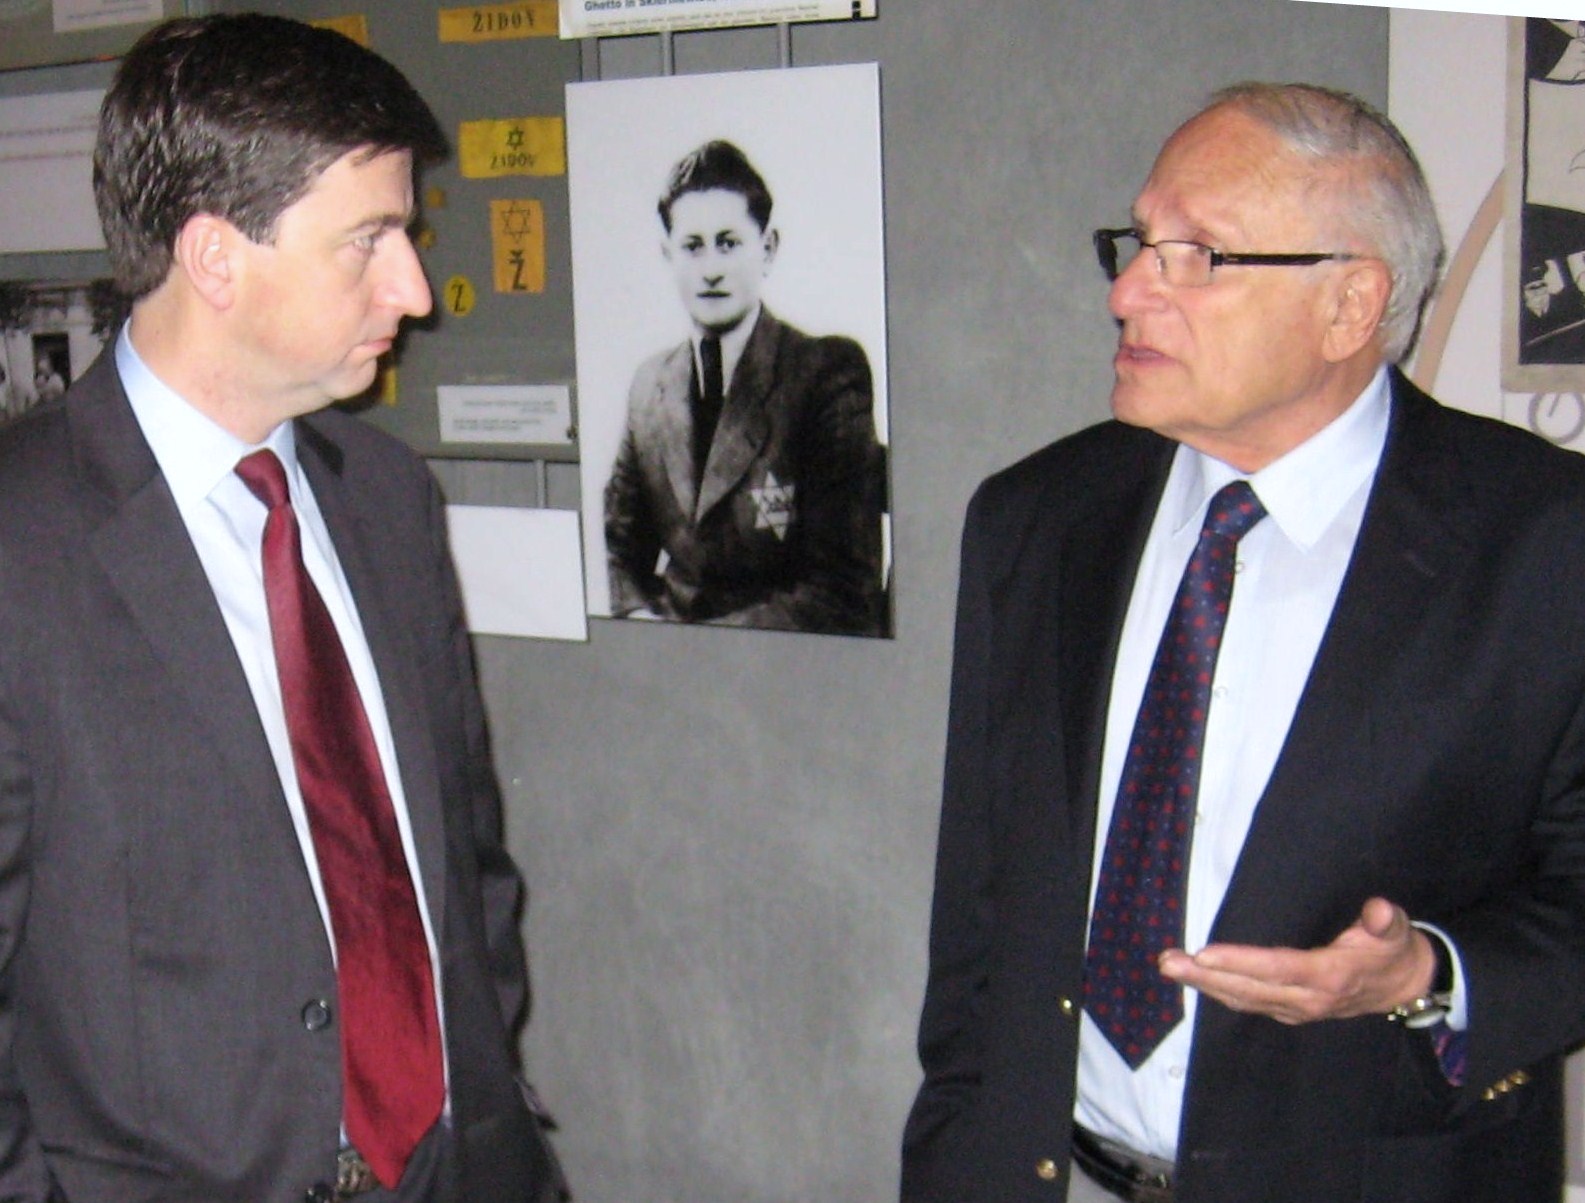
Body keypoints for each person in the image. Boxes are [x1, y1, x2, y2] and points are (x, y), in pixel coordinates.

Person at [902, 82, 1585, 1203]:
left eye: (1195, 256)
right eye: (1135, 244)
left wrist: (1429, 975)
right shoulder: (1037, 518)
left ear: (1348, 305)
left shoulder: (1541, 541)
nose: (1127, 290)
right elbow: (979, 919)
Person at [0, 15, 566, 1203]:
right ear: (216, 259)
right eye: (368, 240)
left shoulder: (388, 501)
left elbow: (464, 865)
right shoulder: (21, 542)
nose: (412, 286)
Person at [603, 139, 888, 636]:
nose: (711, 268)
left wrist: (699, 649)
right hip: (666, 663)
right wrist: (643, 624)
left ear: (768, 248)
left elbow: (843, 591)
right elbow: (619, 553)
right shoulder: (649, 386)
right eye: (693, 246)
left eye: (729, 243)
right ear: (667, 255)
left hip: (780, 669)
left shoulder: (824, 374)